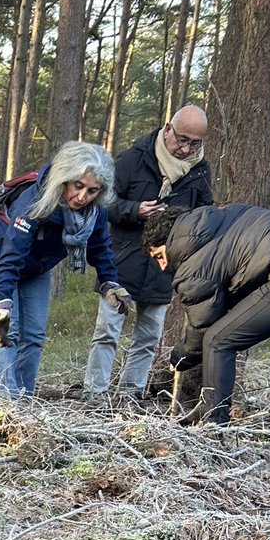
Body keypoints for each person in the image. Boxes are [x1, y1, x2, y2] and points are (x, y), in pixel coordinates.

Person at [141, 203, 270, 426]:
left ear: (168, 240)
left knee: (217, 340)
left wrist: (179, 357)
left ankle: (213, 421)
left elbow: (201, 328)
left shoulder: (190, 257)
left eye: (159, 256)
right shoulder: (222, 218)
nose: (163, 266)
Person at [0, 141, 126, 397]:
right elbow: (11, 254)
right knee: (8, 330)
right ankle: (4, 401)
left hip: (36, 269)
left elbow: (100, 246)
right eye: (78, 186)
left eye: (92, 190)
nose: (82, 197)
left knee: (34, 335)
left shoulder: (95, 209)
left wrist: (109, 282)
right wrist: (1, 302)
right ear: (65, 178)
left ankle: (23, 397)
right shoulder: (35, 201)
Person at [82, 105, 213, 398]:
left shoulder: (200, 172)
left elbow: (207, 216)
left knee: (148, 337)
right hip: (122, 261)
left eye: (194, 143)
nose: (186, 148)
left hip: (164, 267)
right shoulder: (133, 158)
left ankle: (130, 394)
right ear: (168, 129)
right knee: (107, 333)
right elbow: (102, 203)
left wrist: (182, 223)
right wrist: (134, 210)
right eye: (181, 139)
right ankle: (95, 394)